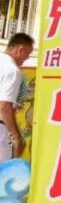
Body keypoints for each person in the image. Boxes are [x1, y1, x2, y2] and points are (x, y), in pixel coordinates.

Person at [0, 33, 33, 162]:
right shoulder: (12, 70)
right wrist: (16, 136)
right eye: (27, 54)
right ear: (20, 50)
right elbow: (4, 106)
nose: (26, 59)